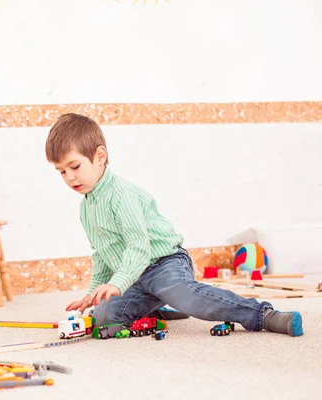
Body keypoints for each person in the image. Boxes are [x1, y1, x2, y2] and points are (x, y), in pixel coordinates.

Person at [44, 112, 303, 337]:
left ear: (100, 156)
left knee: (185, 296)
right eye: (61, 172)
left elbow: (138, 247)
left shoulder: (122, 196)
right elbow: (101, 253)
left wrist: (119, 281)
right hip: (134, 275)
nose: (69, 177)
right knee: (104, 318)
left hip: (163, 262)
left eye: (74, 166)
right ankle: (156, 305)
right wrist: (92, 295)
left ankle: (262, 315)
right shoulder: (86, 207)